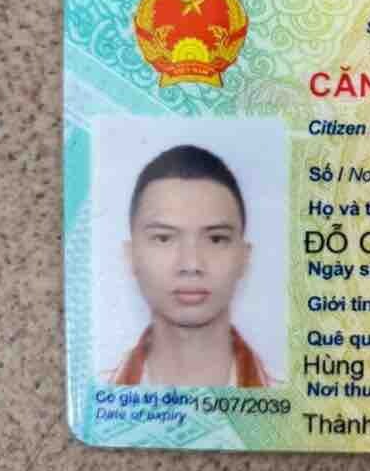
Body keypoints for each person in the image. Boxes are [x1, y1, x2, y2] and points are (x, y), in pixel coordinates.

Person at [106, 144, 274, 387]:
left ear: (244, 258)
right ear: (131, 256)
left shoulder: (300, 401)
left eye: (216, 239)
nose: (191, 264)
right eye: (164, 238)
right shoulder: (95, 399)